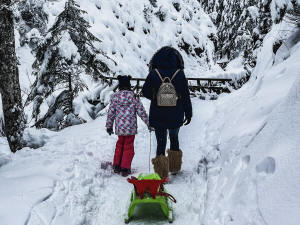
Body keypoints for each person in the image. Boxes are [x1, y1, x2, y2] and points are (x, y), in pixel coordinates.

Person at [142, 46, 192, 178]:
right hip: (176, 114)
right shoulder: (179, 73)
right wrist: (188, 113)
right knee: (174, 138)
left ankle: (161, 173)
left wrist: (156, 96)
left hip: (158, 114)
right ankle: (174, 167)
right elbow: (186, 95)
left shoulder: (154, 73)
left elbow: (145, 92)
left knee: (161, 141)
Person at [106, 75, 149, 177]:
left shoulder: (115, 97)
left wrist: (109, 126)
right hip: (130, 127)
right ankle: (125, 168)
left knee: (120, 145)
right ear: (129, 85)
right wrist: (148, 123)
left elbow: (111, 113)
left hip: (120, 127)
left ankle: (117, 166)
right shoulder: (133, 97)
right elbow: (141, 111)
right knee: (128, 146)